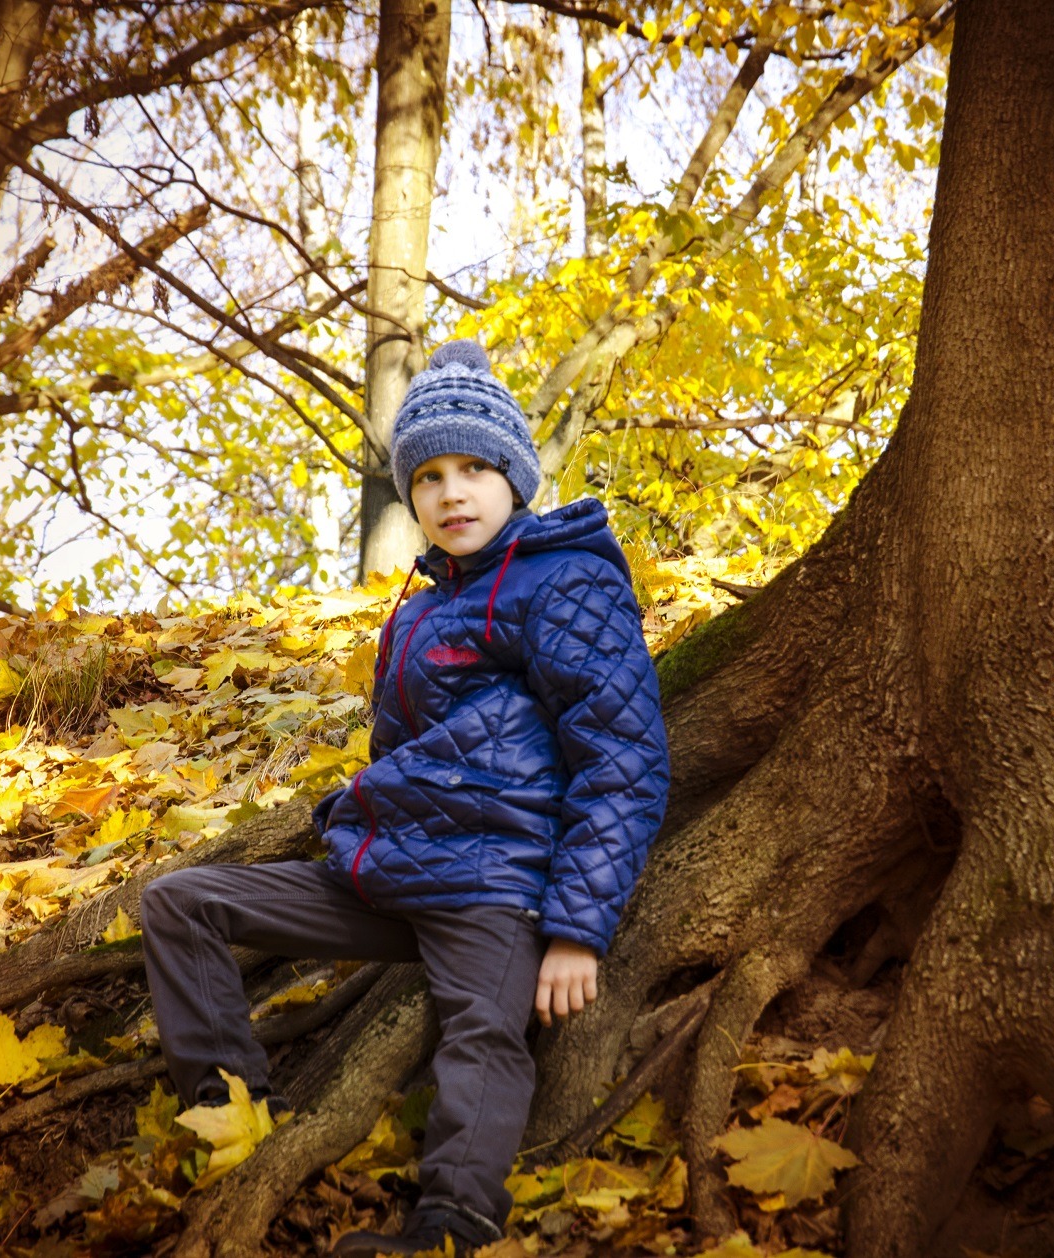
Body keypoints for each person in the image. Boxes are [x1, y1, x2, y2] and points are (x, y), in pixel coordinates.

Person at [138, 338, 671, 1256]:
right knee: (180, 902)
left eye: (473, 469)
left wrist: (579, 928)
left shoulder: (565, 579)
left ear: (515, 477)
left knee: (481, 1037)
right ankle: (232, 1120)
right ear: (410, 497)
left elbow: (622, 754)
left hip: (493, 888)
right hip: (392, 875)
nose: (451, 492)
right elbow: (402, 754)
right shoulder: (422, 606)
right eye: (426, 477)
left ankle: (451, 1225)